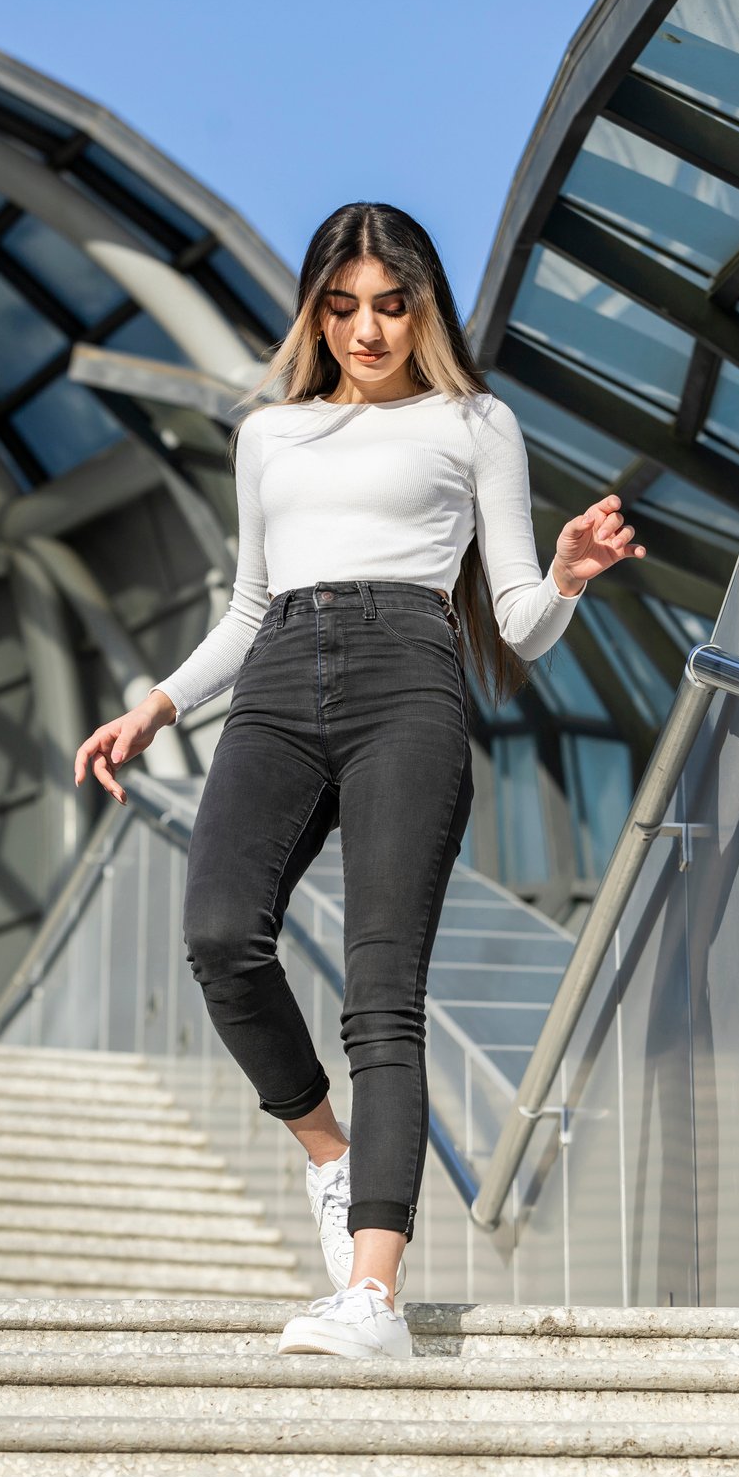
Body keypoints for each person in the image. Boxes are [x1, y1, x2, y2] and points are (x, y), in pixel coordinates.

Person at [74, 202, 645, 1361]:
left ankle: (372, 1293)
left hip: (410, 681)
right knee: (220, 934)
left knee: (381, 997)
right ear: (314, 311)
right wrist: (157, 705)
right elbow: (246, 605)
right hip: (279, 677)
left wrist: (571, 574)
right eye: (342, 308)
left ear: (422, 306)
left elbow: (519, 621)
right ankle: (328, 1154)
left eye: (390, 306)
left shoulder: (474, 421)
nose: (367, 330)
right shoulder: (270, 435)